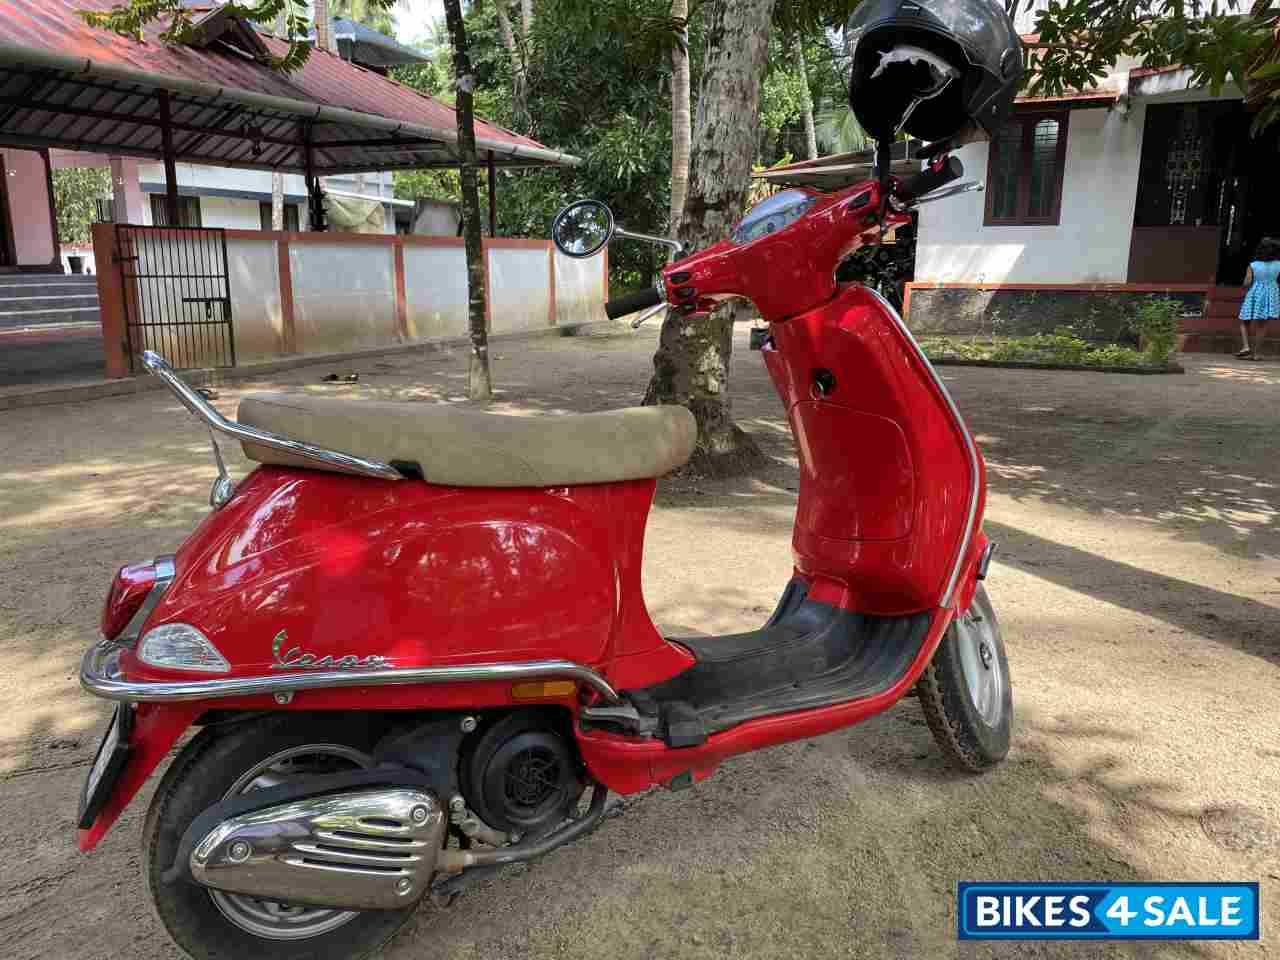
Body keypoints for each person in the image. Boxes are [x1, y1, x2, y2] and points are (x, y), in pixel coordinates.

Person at [1237, 237, 1280, 360]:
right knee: (1263, 325)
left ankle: (1246, 346)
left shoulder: (1253, 265)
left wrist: (1245, 285)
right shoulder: (1278, 264)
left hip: (1255, 294)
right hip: (1271, 294)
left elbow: (1247, 282)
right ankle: (1256, 354)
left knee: (1244, 321)